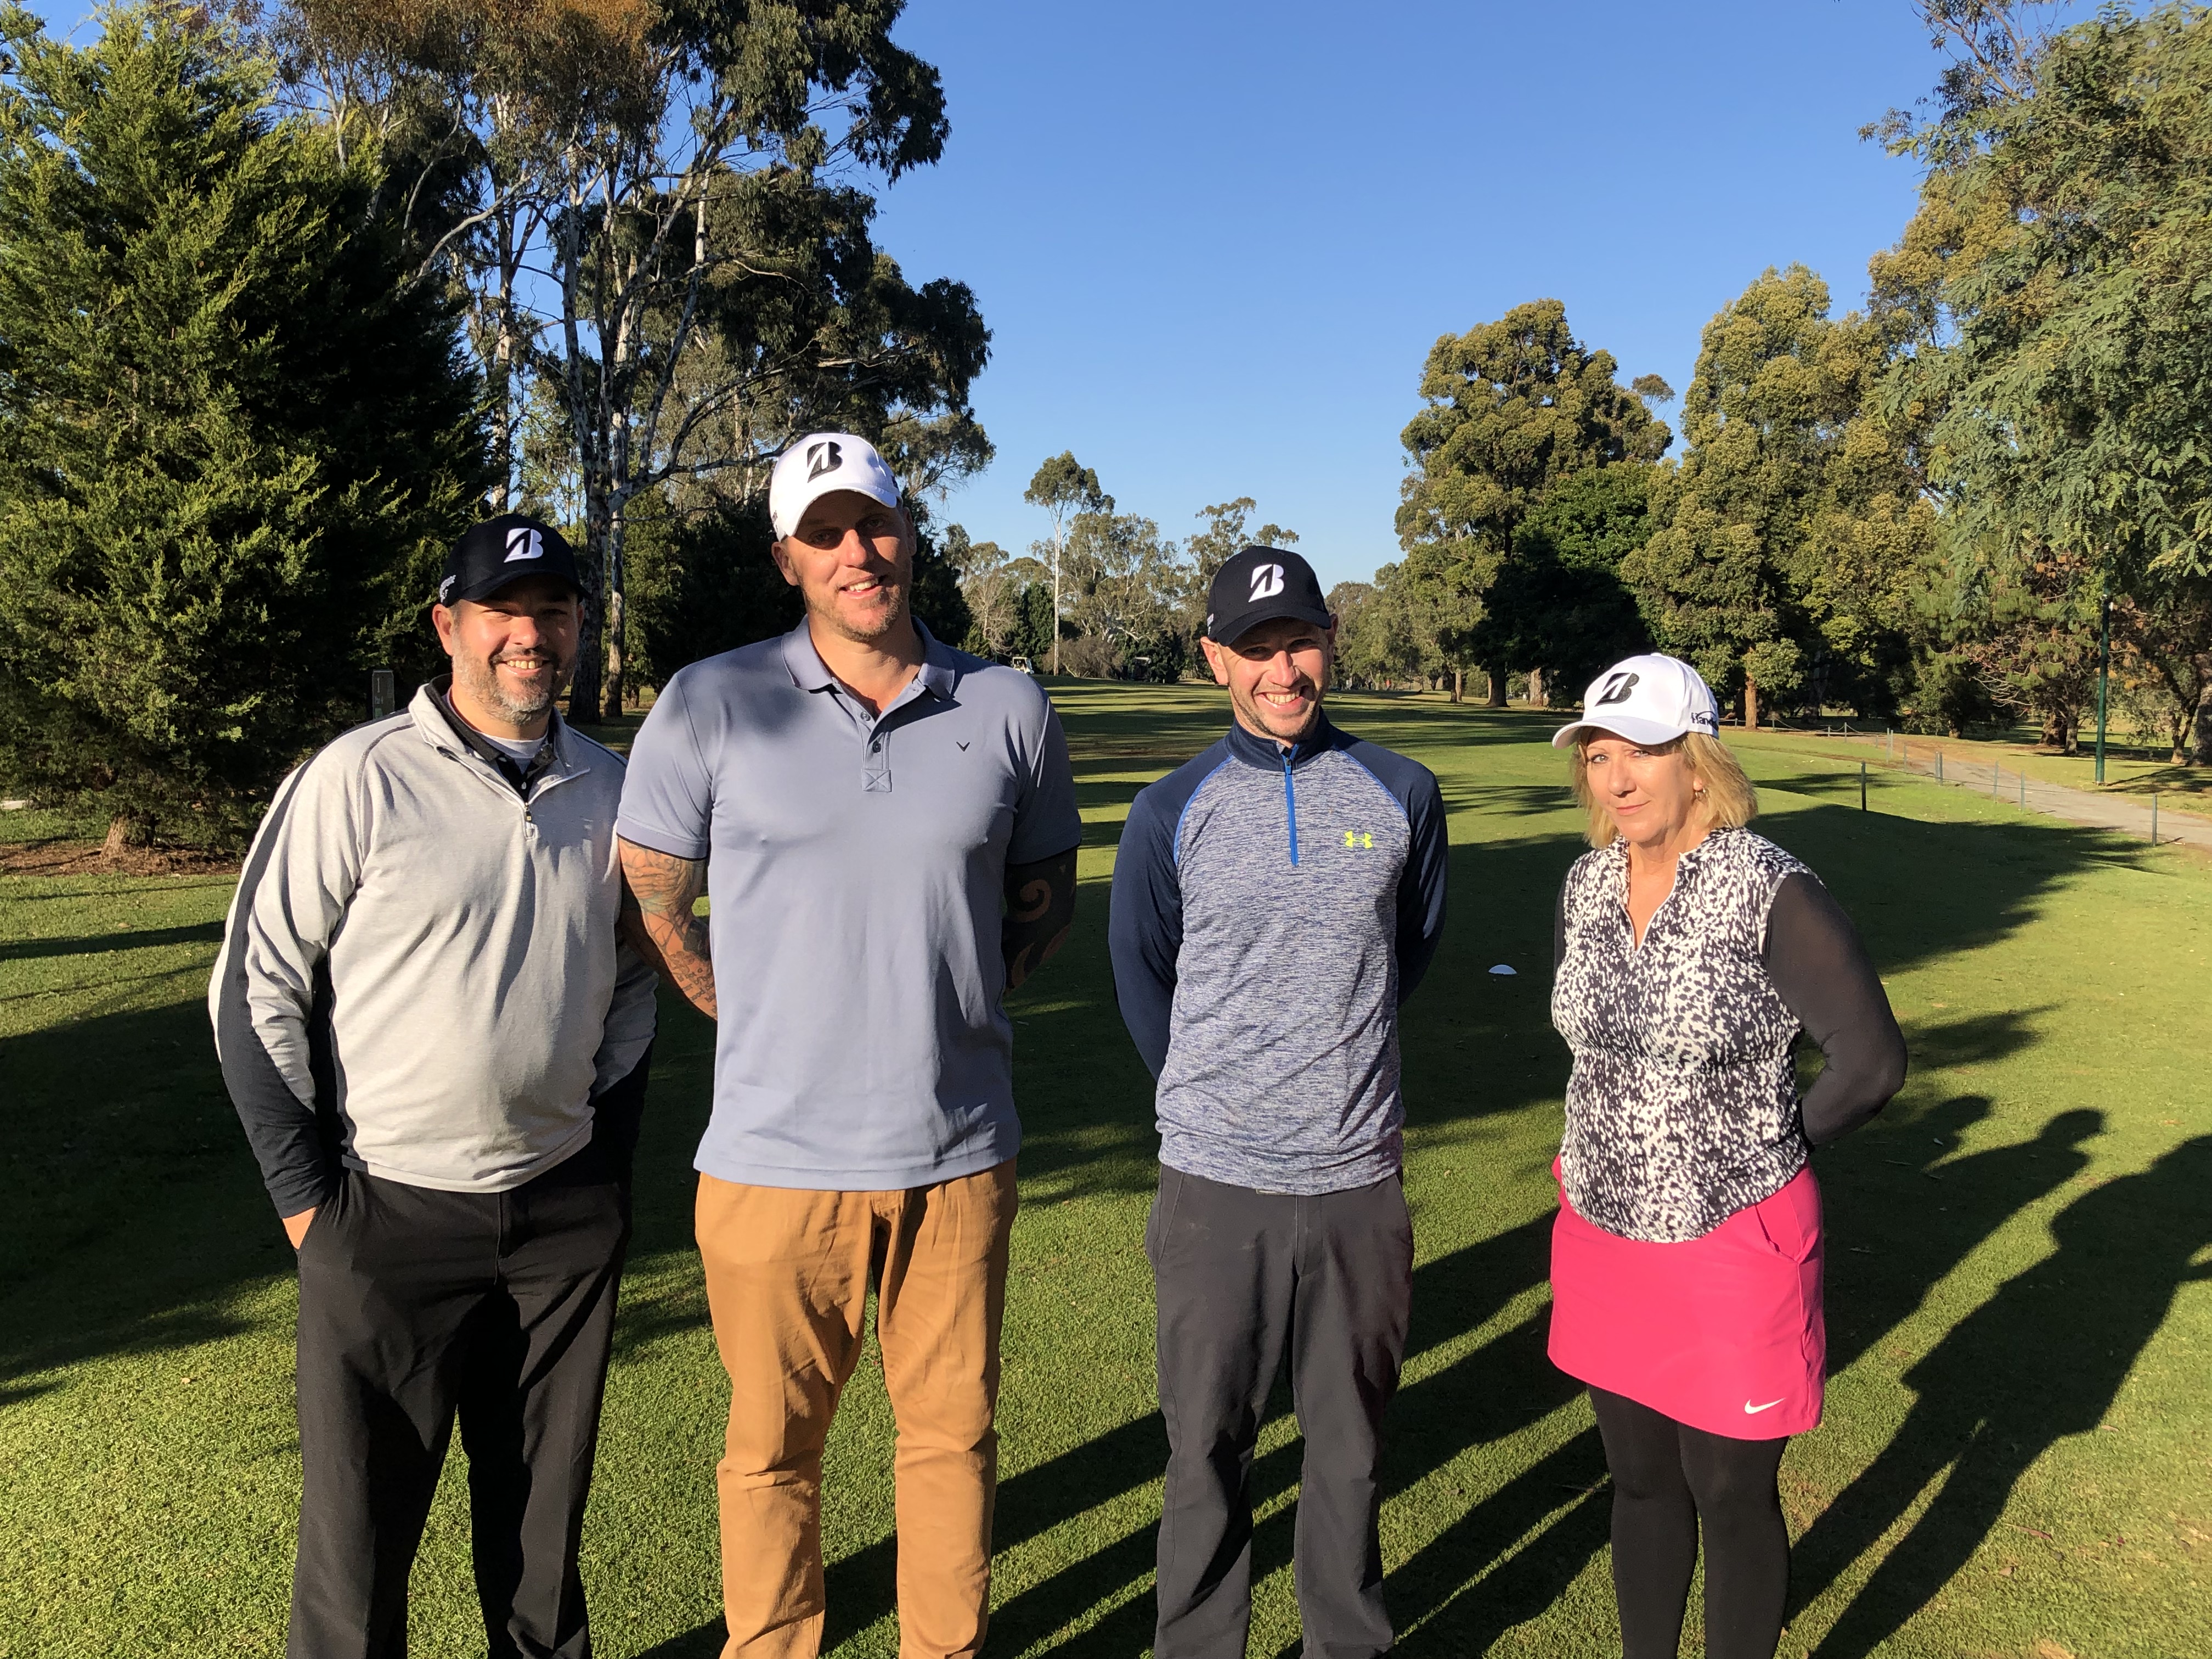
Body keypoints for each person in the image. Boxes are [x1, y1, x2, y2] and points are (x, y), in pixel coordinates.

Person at [613, 432, 1081, 1659]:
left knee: (952, 1440)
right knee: (771, 1453)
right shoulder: (714, 701)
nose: (856, 552)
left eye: (873, 523)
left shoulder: (1007, 703)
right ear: (787, 559)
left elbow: (1044, 891)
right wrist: (741, 1004)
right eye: (824, 533)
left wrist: (956, 994)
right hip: (771, 1160)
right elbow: (655, 891)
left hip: (960, 1151)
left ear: (909, 530)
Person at [208, 514, 658, 1659]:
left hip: (560, 1215)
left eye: (554, 612)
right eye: (506, 611)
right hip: (385, 1215)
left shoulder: (613, 787)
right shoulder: (357, 778)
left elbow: (633, 983)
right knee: (358, 1557)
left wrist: (605, 1164)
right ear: (448, 626)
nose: (532, 636)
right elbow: (249, 989)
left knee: (543, 1545)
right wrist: (310, 1203)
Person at [1108, 546, 1449, 1659]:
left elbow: (1409, 956)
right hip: (1216, 1194)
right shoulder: (1171, 810)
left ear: (1329, 646)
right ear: (1216, 659)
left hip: (1357, 1189)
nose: (1282, 669)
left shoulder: (1402, 793)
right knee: (1206, 1449)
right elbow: (1142, 977)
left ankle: (1346, 1643)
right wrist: (1220, 1104)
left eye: (1299, 642)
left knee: (1348, 1454)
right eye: (1256, 649)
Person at [1545, 653, 1908, 1659]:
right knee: (1641, 1482)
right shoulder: (1587, 885)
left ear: (1698, 761)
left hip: (1731, 1238)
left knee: (1730, 1492)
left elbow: (1871, 1063)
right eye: (1600, 754)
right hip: (1605, 1234)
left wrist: (1764, 1146)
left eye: (1643, 753)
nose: (1616, 778)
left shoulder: (1767, 886)